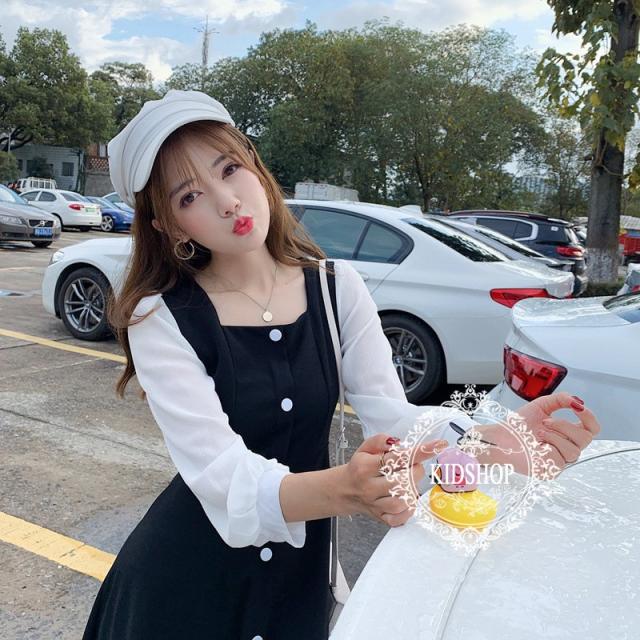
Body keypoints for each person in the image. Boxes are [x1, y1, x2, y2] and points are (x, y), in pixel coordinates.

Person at [81, 90, 600, 640]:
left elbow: (394, 419)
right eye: (190, 196)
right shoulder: (160, 317)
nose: (227, 201)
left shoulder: (335, 288)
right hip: (183, 587)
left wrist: (500, 440)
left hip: (299, 580)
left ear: (255, 166)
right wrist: (346, 490)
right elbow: (223, 477)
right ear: (170, 226)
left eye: (229, 169)